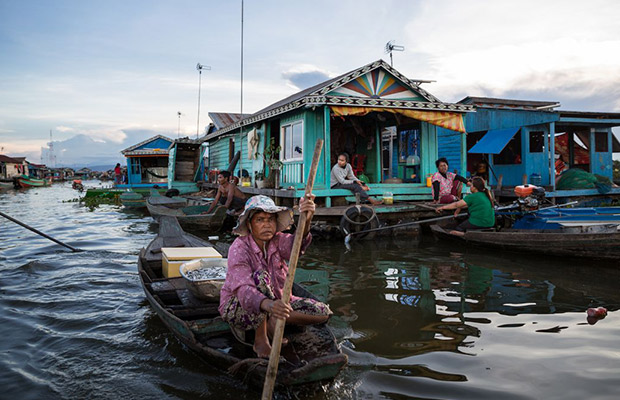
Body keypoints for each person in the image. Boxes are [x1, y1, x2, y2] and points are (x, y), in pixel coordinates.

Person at [219, 194, 332, 358]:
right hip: (239, 305)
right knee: (260, 277)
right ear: (250, 225)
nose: (266, 224)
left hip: (278, 300)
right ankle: (261, 339)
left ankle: (275, 320)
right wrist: (270, 306)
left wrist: (306, 220)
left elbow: (297, 246)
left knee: (323, 313)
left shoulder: (278, 240)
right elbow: (244, 290)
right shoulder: (239, 248)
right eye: (260, 220)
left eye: (270, 220)